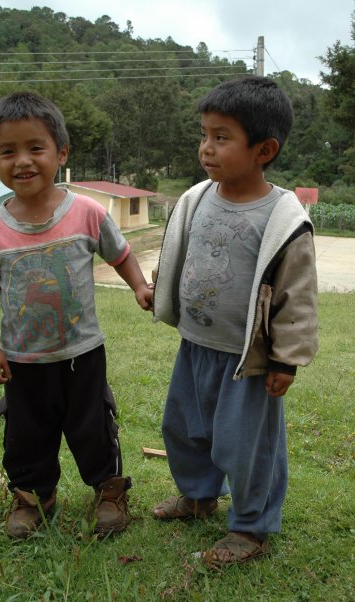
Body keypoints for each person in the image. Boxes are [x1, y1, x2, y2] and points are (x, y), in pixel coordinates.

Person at [0, 91, 153, 539]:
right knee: (26, 432)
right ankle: (32, 497)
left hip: (82, 352)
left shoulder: (86, 212)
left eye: (35, 148)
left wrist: (141, 286)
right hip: (23, 360)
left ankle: (109, 491)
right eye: (7, 151)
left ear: (61, 153)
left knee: (92, 424)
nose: (22, 161)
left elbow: (120, 253)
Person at [151, 76, 318, 567]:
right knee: (183, 429)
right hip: (196, 344)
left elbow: (298, 295)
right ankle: (199, 497)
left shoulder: (284, 218)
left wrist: (286, 360)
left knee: (246, 446)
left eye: (221, 137)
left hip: (249, 360)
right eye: (204, 134)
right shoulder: (197, 198)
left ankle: (251, 527)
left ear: (264, 149)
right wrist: (163, 289)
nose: (206, 148)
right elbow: (185, 255)